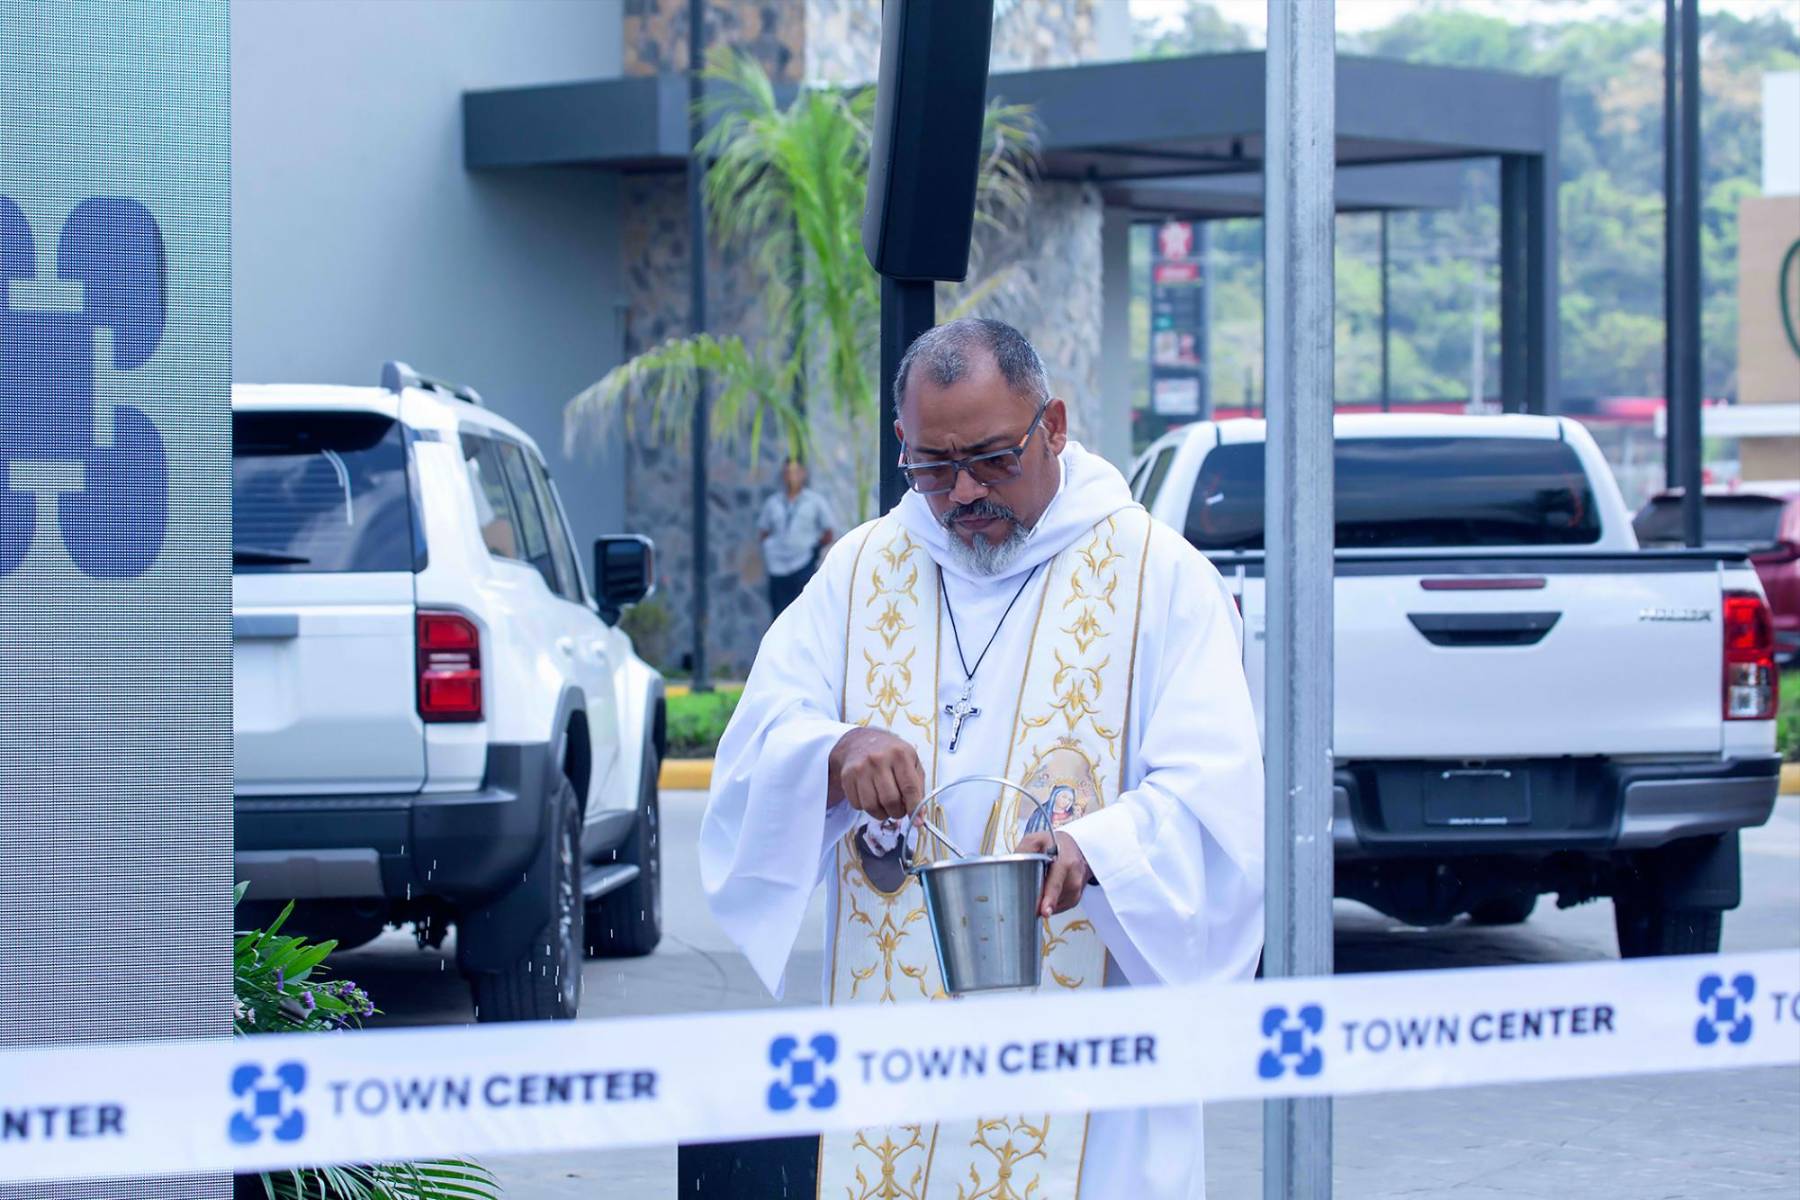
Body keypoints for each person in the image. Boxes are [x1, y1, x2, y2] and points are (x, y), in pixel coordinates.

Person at [701, 317, 1264, 1199]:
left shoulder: (1160, 577)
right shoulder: (859, 573)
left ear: (1055, 425)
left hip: (1090, 1075)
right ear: (903, 445)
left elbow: (1216, 793)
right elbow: (760, 738)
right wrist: (835, 749)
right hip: (895, 1063)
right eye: (932, 467)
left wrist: (1100, 848)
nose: (963, 493)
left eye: (993, 460)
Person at [756, 456, 836, 618]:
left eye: (795, 472)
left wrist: (814, 548)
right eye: (787, 472)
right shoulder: (774, 502)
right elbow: (764, 530)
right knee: (779, 614)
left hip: (803, 563)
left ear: (803, 474)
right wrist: (771, 547)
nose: (791, 476)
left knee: (803, 613)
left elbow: (828, 530)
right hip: (777, 566)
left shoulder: (814, 501)